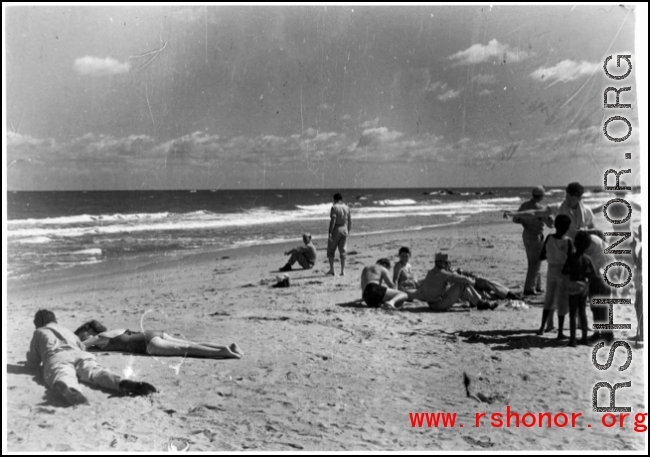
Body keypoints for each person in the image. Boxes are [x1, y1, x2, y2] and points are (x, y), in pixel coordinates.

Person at [505, 182, 594, 330]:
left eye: (570, 198)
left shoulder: (586, 211)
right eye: (566, 196)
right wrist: (516, 214)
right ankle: (550, 324)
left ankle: (579, 322)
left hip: (576, 254)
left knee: (578, 290)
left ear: (578, 198)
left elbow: (591, 229)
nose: (567, 199)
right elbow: (535, 213)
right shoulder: (559, 207)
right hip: (561, 251)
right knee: (555, 291)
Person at [26, 310, 157, 406]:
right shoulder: (66, 330)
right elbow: (81, 346)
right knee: (95, 371)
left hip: (57, 356)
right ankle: (120, 383)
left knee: (62, 372)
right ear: (55, 320)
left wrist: (31, 360)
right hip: (81, 354)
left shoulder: (39, 332)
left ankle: (71, 390)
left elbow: (33, 361)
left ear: (38, 324)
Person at [74, 320, 242, 359]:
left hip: (148, 344)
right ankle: (227, 347)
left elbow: (80, 345)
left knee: (186, 351)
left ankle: (224, 352)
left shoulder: (100, 337)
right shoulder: (114, 331)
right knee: (191, 343)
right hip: (152, 333)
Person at [405, 253, 498, 312]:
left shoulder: (431, 272)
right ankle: (480, 303)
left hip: (432, 303)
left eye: (444, 262)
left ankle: (478, 302)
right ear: (437, 262)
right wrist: (472, 281)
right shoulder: (442, 273)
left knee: (462, 285)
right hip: (438, 305)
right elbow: (459, 278)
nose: (444, 264)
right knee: (462, 284)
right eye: (443, 262)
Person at [512, 186, 554, 296]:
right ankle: (529, 288)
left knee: (532, 261)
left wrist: (525, 222)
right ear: (541, 196)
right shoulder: (540, 208)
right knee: (535, 262)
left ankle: (537, 286)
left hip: (526, 233)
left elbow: (515, 219)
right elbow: (550, 225)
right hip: (536, 235)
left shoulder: (524, 205)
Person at [537, 214, 573, 339]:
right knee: (562, 302)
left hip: (551, 270)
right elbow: (571, 260)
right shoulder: (568, 241)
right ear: (567, 227)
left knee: (549, 299)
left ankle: (542, 327)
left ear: (555, 226)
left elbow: (542, 256)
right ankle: (560, 332)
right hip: (563, 273)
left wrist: (553, 255)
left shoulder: (548, 238)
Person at [562, 231, 601, 347]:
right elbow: (593, 274)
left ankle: (573, 340)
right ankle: (584, 338)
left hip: (573, 285)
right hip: (584, 286)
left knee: (573, 314)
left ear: (575, 243)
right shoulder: (587, 259)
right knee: (583, 313)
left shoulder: (571, 258)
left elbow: (564, 271)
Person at [326, 193, 352, 276]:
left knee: (331, 250)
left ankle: (332, 270)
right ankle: (343, 271)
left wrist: (330, 231)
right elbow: (350, 221)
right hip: (344, 228)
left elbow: (333, 220)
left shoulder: (334, 207)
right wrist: (348, 230)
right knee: (343, 251)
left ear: (334, 199)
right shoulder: (347, 207)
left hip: (337, 229)